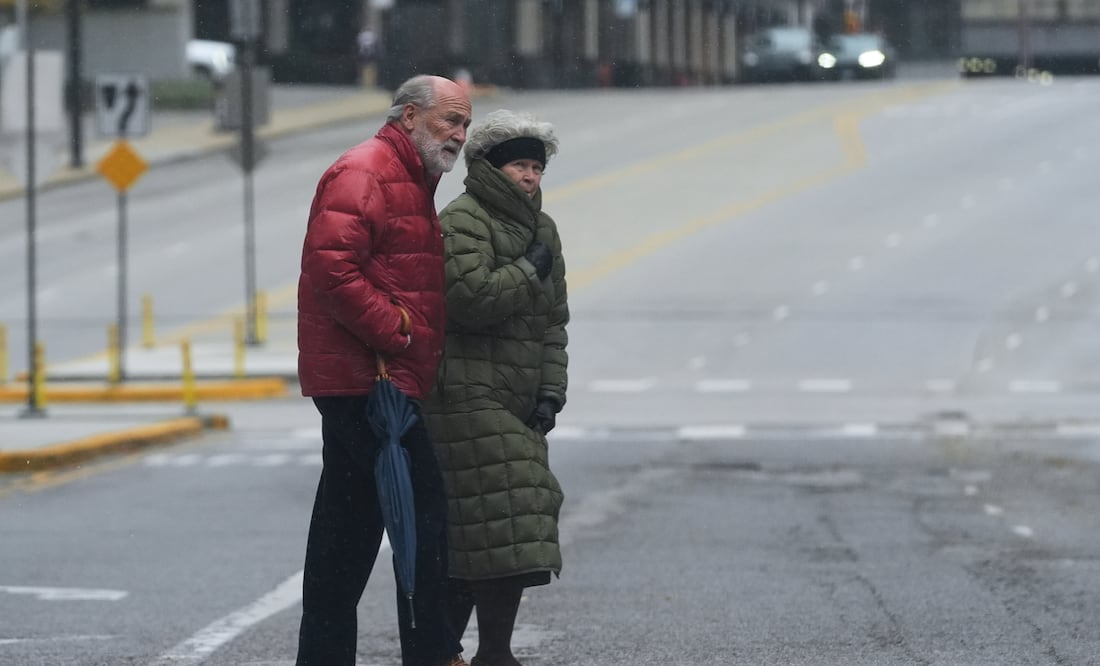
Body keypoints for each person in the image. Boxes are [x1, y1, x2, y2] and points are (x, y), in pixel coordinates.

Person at [295, 74, 473, 666]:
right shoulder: (367, 170)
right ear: (408, 118)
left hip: (367, 382)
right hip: (371, 384)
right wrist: (395, 329)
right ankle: (433, 654)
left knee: (343, 539)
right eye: (450, 121)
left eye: (466, 124)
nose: (460, 135)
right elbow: (331, 269)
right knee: (423, 524)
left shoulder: (411, 175)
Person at [422, 109, 569, 666]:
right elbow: (471, 300)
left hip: (519, 397)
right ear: (489, 168)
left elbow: (553, 321)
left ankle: (470, 652)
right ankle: (481, 652)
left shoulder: (542, 228)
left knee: (490, 525)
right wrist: (528, 270)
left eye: (537, 167)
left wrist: (552, 391)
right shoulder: (463, 221)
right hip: (464, 395)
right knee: (510, 506)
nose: (530, 177)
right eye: (519, 167)